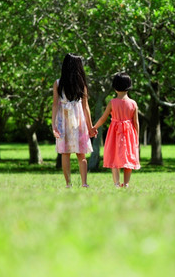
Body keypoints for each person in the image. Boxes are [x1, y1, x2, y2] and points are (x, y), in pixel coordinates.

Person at [51, 53, 95, 188]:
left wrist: (53, 125)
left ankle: (68, 184)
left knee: (65, 154)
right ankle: (84, 183)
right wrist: (90, 126)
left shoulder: (58, 83)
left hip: (63, 121)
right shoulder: (82, 84)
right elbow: (85, 107)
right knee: (81, 154)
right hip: (79, 121)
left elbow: (54, 105)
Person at [92, 72, 141, 187]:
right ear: (129, 86)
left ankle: (116, 183)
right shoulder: (133, 103)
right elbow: (136, 122)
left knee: (115, 158)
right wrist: (136, 137)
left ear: (114, 87)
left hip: (115, 134)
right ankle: (126, 183)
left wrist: (94, 127)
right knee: (128, 158)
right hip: (129, 135)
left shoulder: (112, 103)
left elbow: (103, 118)